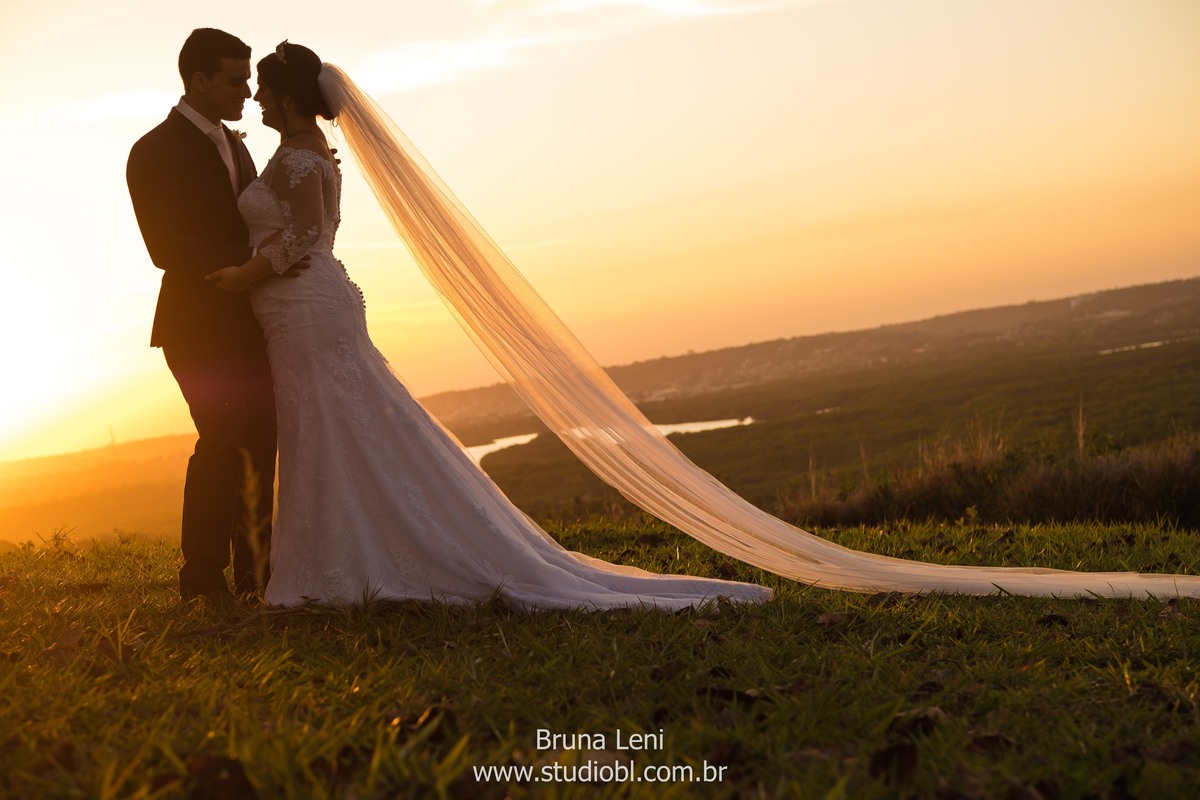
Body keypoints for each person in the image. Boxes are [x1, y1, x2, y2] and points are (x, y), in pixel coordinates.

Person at [208, 41, 1200, 605]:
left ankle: (346, 564)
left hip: (302, 303)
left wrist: (237, 274)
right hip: (313, 312)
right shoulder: (313, 155)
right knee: (343, 430)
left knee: (339, 428)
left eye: (265, 85)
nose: (254, 93)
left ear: (293, 96)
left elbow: (296, 245)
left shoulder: (297, 161)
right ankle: (342, 557)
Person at [127, 29, 278, 607]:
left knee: (263, 437)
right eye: (236, 80)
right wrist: (249, 265)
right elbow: (166, 246)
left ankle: (256, 574)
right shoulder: (153, 151)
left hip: (253, 317)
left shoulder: (235, 144)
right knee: (222, 436)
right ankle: (203, 579)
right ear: (199, 80)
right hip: (196, 323)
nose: (248, 89)